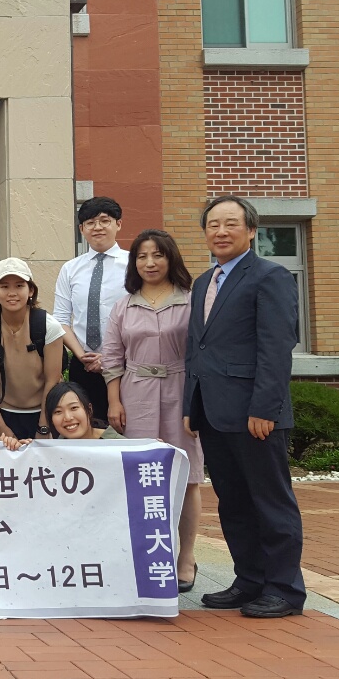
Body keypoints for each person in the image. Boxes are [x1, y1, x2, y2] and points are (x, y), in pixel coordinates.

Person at [185, 195, 304, 618]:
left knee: (270, 501)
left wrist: (265, 409)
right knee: (233, 502)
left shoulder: (270, 276)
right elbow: (196, 348)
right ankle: (250, 580)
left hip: (256, 415)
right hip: (213, 412)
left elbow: (277, 348)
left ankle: (284, 589)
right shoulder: (204, 282)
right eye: (213, 224)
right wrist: (191, 403)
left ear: (251, 230)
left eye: (230, 223)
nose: (220, 231)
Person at [101, 228, 203, 592]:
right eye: (142, 256)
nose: (150, 262)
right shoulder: (123, 306)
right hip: (137, 394)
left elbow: (201, 354)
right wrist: (114, 400)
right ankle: (142, 555)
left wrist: (197, 403)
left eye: (157, 255)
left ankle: (185, 557)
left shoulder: (191, 301)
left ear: (170, 258)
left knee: (187, 477)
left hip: (180, 392)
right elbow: (112, 357)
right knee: (140, 477)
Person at [53, 197, 129, 426]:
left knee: (123, 428)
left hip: (124, 363)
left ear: (118, 224)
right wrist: (81, 356)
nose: (97, 227)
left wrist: (110, 357)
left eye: (104, 221)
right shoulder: (70, 269)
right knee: (85, 428)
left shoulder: (134, 264)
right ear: (81, 229)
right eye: (90, 223)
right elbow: (60, 319)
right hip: (83, 364)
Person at [0, 258, 65, 442]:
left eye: (19, 286)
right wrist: (1, 427)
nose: (12, 293)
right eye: (4, 286)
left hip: (43, 413)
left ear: (30, 290)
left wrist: (44, 426)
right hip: (2, 414)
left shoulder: (48, 326)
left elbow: (52, 380)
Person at [0, 382, 117, 449]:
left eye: (74, 408)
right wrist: (19, 451)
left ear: (89, 410)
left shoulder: (118, 445)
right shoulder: (53, 448)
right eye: (58, 412)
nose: (68, 417)